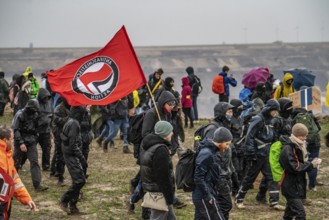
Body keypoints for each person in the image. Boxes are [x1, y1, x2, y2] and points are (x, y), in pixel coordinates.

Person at [235, 99, 284, 210]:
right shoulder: (258, 119)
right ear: (269, 109)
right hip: (257, 154)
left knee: (271, 177)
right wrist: (251, 153)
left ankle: (274, 201)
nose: (275, 113)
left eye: (276, 111)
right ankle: (239, 199)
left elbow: (273, 136)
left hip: (267, 154)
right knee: (250, 178)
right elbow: (249, 136)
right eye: (274, 110)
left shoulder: (272, 121)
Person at [279, 123, 322, 220]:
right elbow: (295, 167)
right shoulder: (288, 148)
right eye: (303, 136)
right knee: (301, 214)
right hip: (290, 186)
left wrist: (311, 162)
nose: (305, 138)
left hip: (296, 185)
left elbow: (301, 162)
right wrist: (311, 165)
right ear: (297, 136)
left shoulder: (298, 146)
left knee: (288, 215)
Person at [193, 127, 233, 220]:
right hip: (204, 196)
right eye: (226, 144)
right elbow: (198, 177)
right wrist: (208, 196)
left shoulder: (212, 151)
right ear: (220, 141)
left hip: (206, 193)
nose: (227, 147)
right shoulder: (207, 154)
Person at [140, 121, 176, 220]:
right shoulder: (160, 150)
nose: (172, 133)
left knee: (170, 217)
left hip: (151, 188)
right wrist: (169, 196)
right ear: (164, 133)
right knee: (158, 217)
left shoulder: (147, 144)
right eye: (170, 131)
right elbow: (163, 176)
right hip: (159, 192)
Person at [0, 125, 37, 219]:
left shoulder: (7, 155)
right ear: (5, 140)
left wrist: (27, 199)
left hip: (5, 202)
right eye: (11, 139)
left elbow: (14, 181)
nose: (13, 142)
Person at [12, 99, 48, 191]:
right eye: (34, 109)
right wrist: (21, 143)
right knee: (16, 163)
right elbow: (16, 130)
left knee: (34, 162)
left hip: (31, 142)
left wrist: (35, 137)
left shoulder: (35, 114)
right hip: (20, 141)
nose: (35, 111)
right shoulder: (19, 115)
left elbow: (36, 128)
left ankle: (37, 184)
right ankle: (10, 182)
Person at [59, 106, 87, 215]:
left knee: (79, 180)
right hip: (71, 155)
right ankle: (64, 200)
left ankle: (73, 206)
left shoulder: (71, 121)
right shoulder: (74, 123)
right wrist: (82, 158)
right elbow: (73, 144)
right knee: (80, 180)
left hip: (69, 153)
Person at [50, 97, 70, 185]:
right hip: (59, 135)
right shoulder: (59, 108)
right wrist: (68, 118)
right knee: (60, 156)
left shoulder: (71, 107)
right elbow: (57, 121)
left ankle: (56, 171)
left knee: (62, 155)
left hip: (67, 135)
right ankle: (60, 176)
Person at [36, 88, 53, 171]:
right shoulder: (35, 103)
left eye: (47, 97)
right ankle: (19, 163)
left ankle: (46, 165)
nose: (46, 99)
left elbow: (51, 116)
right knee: (28, 149)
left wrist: (50, 130)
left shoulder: (49, 103)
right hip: (35, 131)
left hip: (46, 131)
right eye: (44, 97)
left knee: (47, 149)